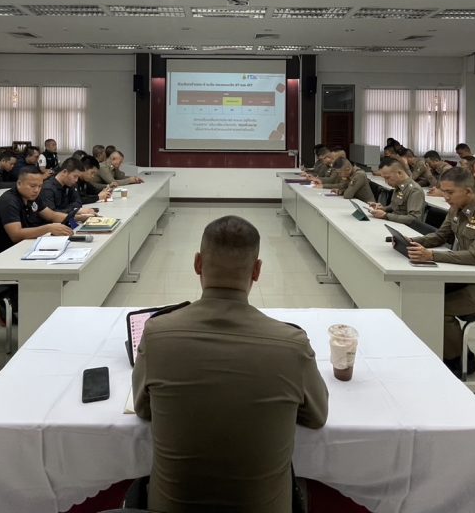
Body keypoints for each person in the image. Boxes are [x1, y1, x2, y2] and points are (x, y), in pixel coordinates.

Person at [132, 215, 328, 512]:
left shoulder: (157, 333)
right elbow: (317, 416)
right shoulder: (292, 344)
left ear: (198, 264)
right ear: (257, 271)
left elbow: (143, 409)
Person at [405, 168, 475, 377]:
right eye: (443, 191)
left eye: (450, 192)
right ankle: (435, 350)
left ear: (468, 191)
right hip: (469, 280)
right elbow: (440, 236)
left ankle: (460, 361)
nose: (445, 197)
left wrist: (430, 256)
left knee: (440, 308)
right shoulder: (456, 208)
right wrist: (410, 241)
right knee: (423, 296)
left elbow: (473, 257)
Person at [0, 166, 73, 257]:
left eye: (40, 186)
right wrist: (48, 228)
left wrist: (74, 221)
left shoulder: (32, 197)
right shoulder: (9, 201)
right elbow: (16, 235)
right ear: (19, 184)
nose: (36, 190)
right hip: (1, 253)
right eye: (32, 186)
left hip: (24, 245)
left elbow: (51, 215)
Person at [369, 159, 425, 225]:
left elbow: (414, 219)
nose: (386, 182)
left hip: (405, 227)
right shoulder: (398, 186)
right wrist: (383, 209)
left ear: (399, 173)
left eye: (387, 178)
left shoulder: (414, 190)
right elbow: (395, 206)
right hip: (394, 223)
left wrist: (385, 215)